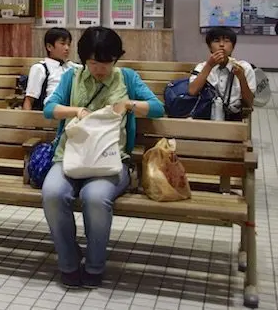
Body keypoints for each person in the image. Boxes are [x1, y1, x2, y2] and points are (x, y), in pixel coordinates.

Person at [41, 26, 164, 289]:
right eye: (93, 63)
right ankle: (69, 262)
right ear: (84, 59)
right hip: (70, 157)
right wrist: (77, 111)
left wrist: (129, 104)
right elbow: (49, 109)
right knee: (52, 193)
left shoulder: (127, 78)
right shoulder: (71, 78)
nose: (99, 69)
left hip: (111, 161)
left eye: (106, 63)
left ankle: (95, 266)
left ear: (116, 59)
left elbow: (157, 108)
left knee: (94, 197)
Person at [188, 26, 256, 121]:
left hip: (233, 116)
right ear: (209, 46)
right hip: (205, 116)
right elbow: (192, 91)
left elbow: (249, 102)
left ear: (233, 46)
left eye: (227, 41)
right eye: (216, 41)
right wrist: (209, 65)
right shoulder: (202, 67)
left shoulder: (244, 67)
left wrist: (241, 78)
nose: (221, 45)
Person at [22, 28, 76, 111]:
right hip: (48, 113)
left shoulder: (72, 67)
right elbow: (29, 100)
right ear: (49, 47)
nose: (67, 48)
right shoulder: (40, 68)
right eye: (63, 44)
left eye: (68, 44)